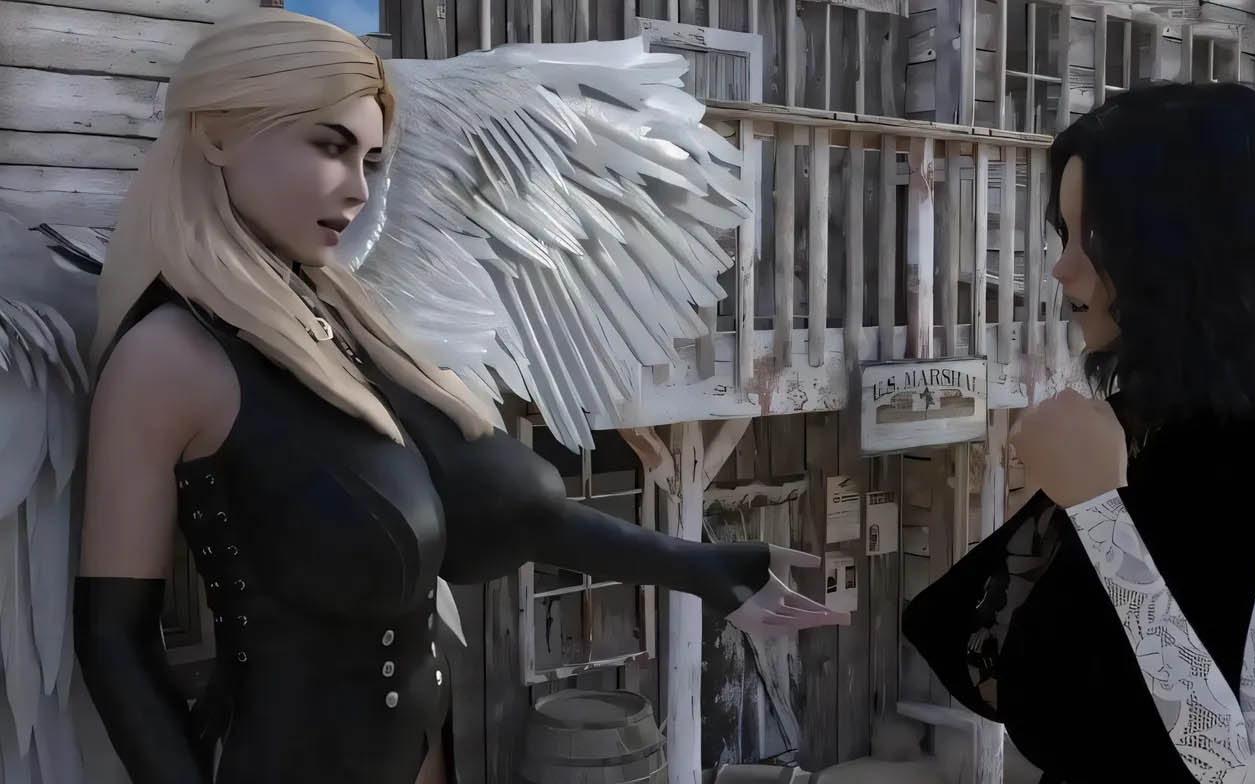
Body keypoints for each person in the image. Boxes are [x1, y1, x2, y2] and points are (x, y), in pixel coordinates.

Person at [72, 11, 839, 784]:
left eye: (371, 159)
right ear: (216, 134)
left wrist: (702, 566)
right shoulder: (168, 357)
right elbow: (113, 643)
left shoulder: (338, 318)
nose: (359, 189)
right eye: (330, 147)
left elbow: (506, 514)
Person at [902, 82, 1255, 784]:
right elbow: (985, 649)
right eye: (1065, 234)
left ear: (1185, 254)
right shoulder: (1123, 429)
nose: (1061, 265)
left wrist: (1100, 513)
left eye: (1095, 238)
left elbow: (1239, 772)